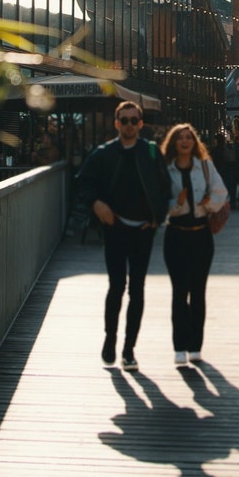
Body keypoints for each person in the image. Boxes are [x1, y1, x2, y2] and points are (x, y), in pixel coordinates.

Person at [76, 100, 170, 370]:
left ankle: (129, 349)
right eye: (124, 120)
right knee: (116, 286)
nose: (129, 124)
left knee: (137, 290)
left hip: (143, 230)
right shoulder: (104, 153)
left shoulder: (151, 152)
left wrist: (156, 219)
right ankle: (110, 339)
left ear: (140, 124)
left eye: (133, 120)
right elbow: (83, 182)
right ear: (117, 123)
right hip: (115, 229)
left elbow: (165, 189)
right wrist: (96, 203)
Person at [160, 123, 228, 365]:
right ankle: (180, 345)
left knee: (198, 292)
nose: (185, 141)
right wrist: (176, 204)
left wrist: (207, 204)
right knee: (180, 292)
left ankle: (195, 345)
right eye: (180, 138)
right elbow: (159, 203)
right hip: (176, 235)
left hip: (201, 235)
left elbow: (221, 193)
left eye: (189, 137)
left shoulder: (205, 167)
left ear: (194, 141)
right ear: (174, 143)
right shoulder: (166, 170)